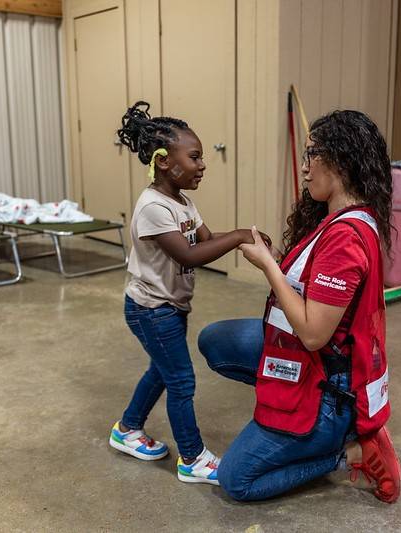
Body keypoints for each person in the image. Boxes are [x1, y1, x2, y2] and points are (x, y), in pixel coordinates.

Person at [198, 110, 401, 502]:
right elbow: (313, 292)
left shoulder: (345, 239)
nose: (305, 168)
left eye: (312, 156)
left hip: (329, 384)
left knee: (236, 479)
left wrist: (269, 267)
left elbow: (312, 333)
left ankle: (349, 449)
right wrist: (279, 263)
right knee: (216, 341)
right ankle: (287, 427)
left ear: (340, 161)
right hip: (324, 360)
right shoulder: (343, 219)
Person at [108, 101, 271, 486]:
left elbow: (207, 239)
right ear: (164, 160)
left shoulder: (182, 202)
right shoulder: (152, 207)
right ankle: (193, 458)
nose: (202, 164)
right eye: (195, 156)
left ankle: (127, 429)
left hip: (171, 306)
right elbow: (189, 254)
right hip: (151, 308)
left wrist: (244, 238)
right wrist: (238, 237)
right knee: (181, 380)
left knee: (162, 371)